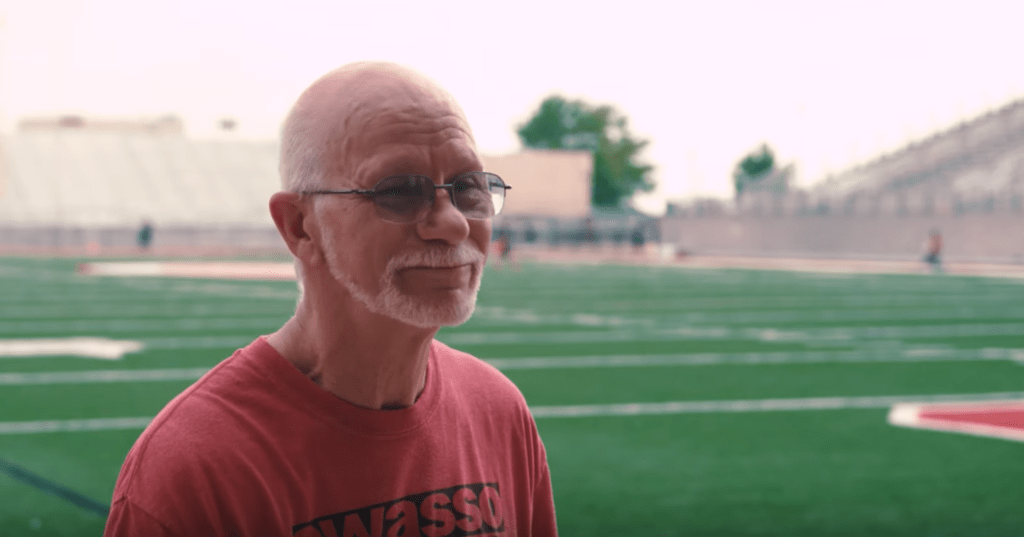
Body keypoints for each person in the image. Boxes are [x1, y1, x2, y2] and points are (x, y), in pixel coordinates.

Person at [104, 62, 558, 537]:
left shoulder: (499, 412)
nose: (454, 224)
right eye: (400, 191)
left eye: (468, 188)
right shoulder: (197, 469)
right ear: (300, 226)